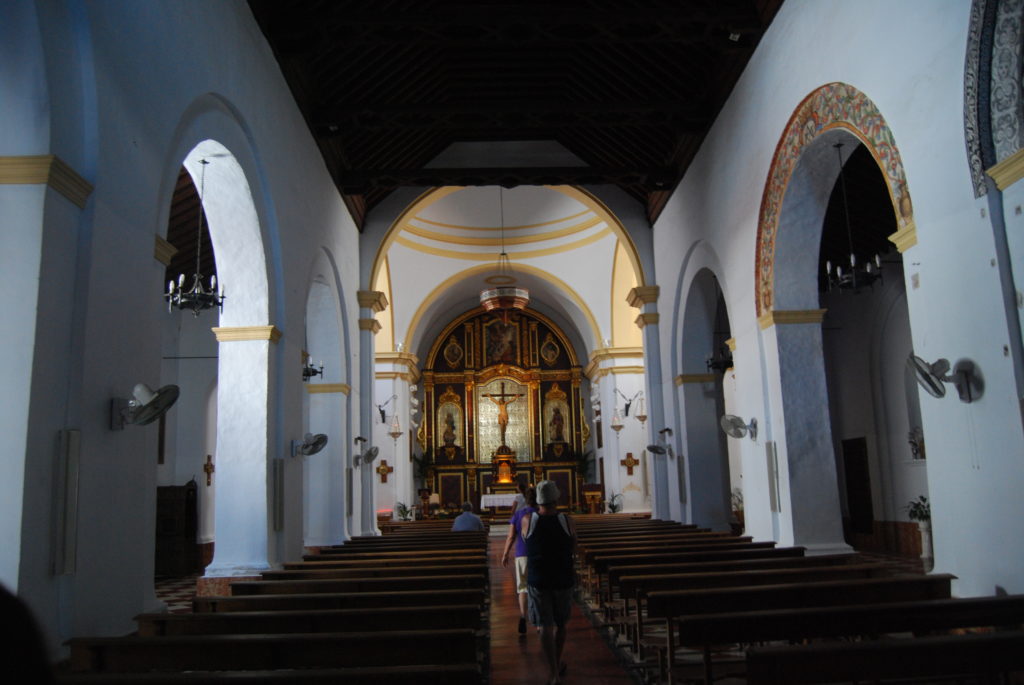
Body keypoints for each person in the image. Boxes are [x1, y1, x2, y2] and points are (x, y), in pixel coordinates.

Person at [522, 480, 576, 685]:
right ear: (556, 499)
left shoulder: (528, 520)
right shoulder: (567, 520)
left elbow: (527, 541)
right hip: (563, 576)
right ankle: (556, 664)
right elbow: (573, 545)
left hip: (539, 579)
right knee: (561, 624)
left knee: (544, 625)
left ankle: (553, 672)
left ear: (538, 500)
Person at [500, 485, 537, 635]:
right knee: (539, 587)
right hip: (538, 554)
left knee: (523, 587)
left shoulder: (518, 514)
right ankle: (539, 620)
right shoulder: (541, 513)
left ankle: (523, 616)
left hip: (522, 553)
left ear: (525, 500)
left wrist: (505, 553)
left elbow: (511, 537)